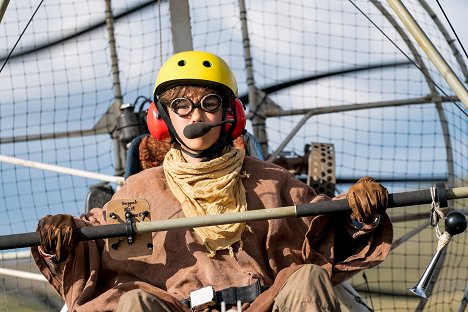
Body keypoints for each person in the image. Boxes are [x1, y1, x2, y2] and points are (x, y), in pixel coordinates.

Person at [32, 51, 392, 312]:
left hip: (263, 305)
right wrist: (59, 240)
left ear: (230, 113)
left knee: (309, 278)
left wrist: (360, 214)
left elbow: (324, 230)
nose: (196, 115)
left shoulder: (272, 180)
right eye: (182, 106)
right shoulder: (140, 190)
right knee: (135, 303)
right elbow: (95, 245)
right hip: (180, 309)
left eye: (208, 102)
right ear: (162, 118)